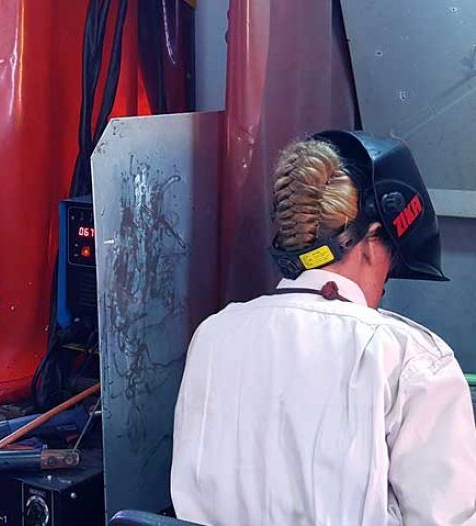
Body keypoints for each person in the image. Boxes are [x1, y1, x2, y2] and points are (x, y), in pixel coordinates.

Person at [171, 131, 476, 525]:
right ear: (369, 242)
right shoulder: (409, 360)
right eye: (390, 255)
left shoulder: (214, 335)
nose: (387, 277)